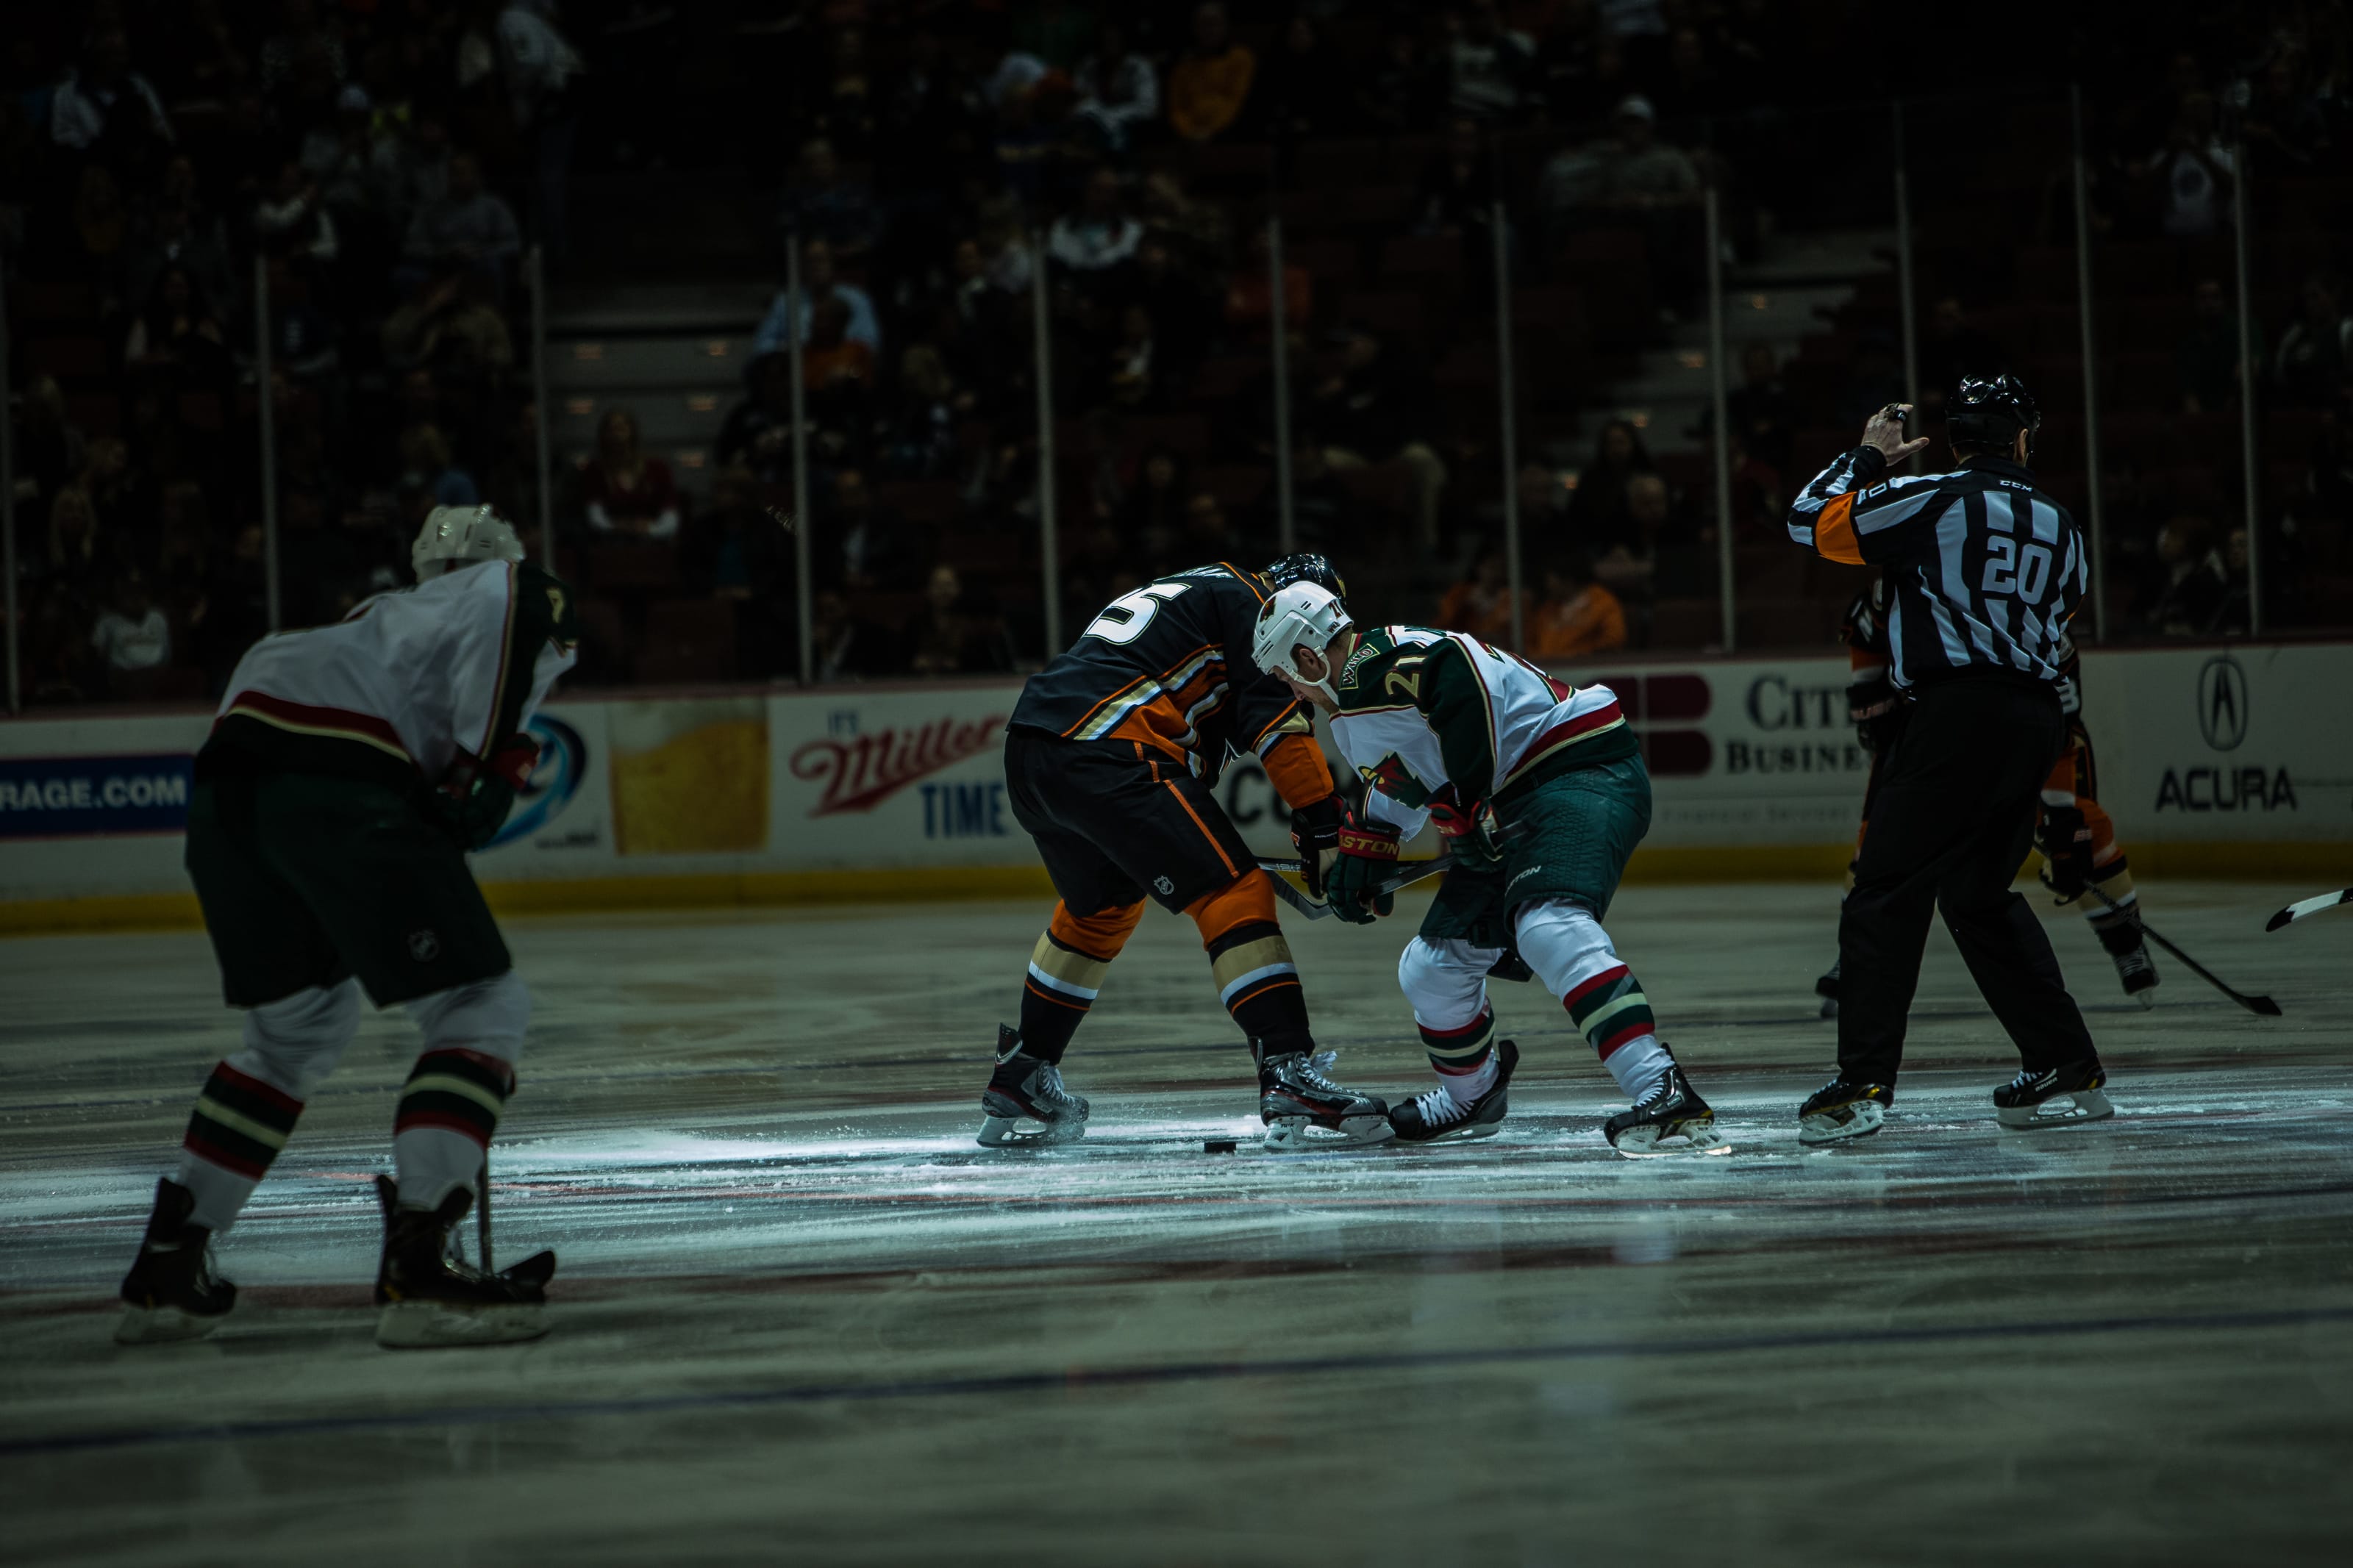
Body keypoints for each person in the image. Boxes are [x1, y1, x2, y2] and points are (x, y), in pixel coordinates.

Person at [115, 505, 576, 1350]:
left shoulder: (345, 630)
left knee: (293, 1032)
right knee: (479, 1004)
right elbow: (527, 607)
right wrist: (493, 766)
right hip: (339, 791)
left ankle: (171, 1267)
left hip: (226, 809)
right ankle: (421, 1268)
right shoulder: (504, 587)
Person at [1252, 581, 1718, 1155]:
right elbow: (1406, 779)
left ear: (1307, 655)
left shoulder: (1373, 667)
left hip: (1579, 770)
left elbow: (1457, 677)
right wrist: (1367, 849)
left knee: (1547, 923)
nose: (1290, 690)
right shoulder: (1355, 706)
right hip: (1521, 796)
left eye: (1284, 674)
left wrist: (1469, 805)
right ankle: (1472, 1095)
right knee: (1431, 967)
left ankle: (1663, 1088)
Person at [1784, 377, 2109, 1143]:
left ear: (1958, 438)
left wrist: (1865, 459)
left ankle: (1861, 1083)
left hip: (1955, 712)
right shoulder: (2062, 524)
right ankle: (2066, 1063)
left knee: (1884, 891)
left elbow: (1808, 524)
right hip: (2033, 717)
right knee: (1975, 892)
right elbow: (2062, 617)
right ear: (2023, 438)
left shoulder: (1928, 495)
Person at [988, 554, 1388, 1151]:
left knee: (1101, 909)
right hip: (1110, 742)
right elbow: (1278, 726)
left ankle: (1024, 1070)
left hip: (1033, 749)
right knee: (1234, 891)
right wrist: (1326, 825)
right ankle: (1287, 1070)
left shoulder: (1202, 593)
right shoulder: (1259, 609)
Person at [1816, 583, 2158, 1019]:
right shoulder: (1900, 587)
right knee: (1882, 836)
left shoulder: (2041, 633)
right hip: (1931, 729)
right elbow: (1868, 633)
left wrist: (2059, 817)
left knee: (2080, 829)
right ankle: (1859, 951)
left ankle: (2126, 943)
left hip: (2020, 730)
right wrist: (1872, 698)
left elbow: (2059, 731)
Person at [1166, 3, 1256, 143]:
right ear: (1194, 28)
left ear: (1226, 26)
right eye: (1203, 24)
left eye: (1214, 23)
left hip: (1229, 135)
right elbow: (1176, 109)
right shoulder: (1183, 67)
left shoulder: (1241, 59)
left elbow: (1236, 101)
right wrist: (1188, 131)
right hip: (1189, 139)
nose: (1209, 29)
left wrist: (1212, 131)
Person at [1528, 554, 1627, 661]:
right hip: (1545, 671)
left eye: (1551, 580)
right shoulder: (1548, 608)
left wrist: (1585, 656)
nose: (1548, 585)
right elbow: (1531, 642)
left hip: (1585, 669)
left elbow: (1613, 640)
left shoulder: (1602, 603)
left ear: (1568, 580)